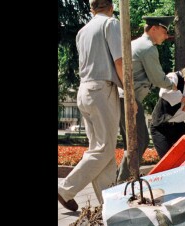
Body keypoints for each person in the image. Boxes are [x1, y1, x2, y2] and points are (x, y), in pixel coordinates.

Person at [58, 0, 123, 212]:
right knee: (104, 149)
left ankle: (110, 203)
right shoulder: (111, 24)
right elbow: (119, 61)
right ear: (111, 7)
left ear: (91, 9)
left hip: (85, 89)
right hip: (102, 90)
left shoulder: (83, 31)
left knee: (102, 150)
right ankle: (66, 189)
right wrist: (129, 92)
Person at [117, 16, 177, 184]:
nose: (166, 36)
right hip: (130, 100)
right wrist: (174, 84)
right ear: (154, 29)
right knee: (139, 142)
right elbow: (158, 78)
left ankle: (121, 181)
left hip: (125, 98)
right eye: (165, 32)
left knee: (133, 143)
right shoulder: (148, 48)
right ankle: (122, 183)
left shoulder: (136, 43)